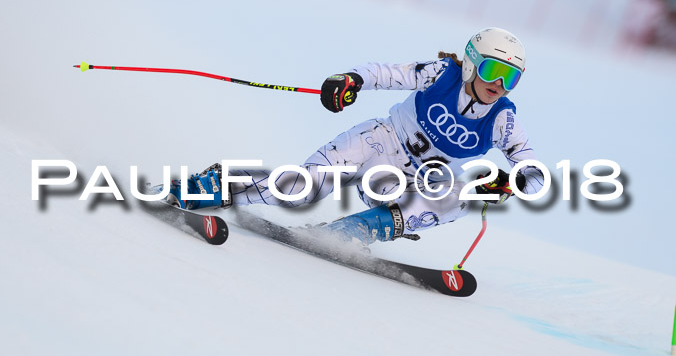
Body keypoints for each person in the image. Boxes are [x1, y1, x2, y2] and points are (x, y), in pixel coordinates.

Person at [167, 27, 545, 244]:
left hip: (408, 182)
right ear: (473, 63)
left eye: (510, 77)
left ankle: (353, 231)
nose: (499, 84)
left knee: (458, 198)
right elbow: (386, 73)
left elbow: (532, 167)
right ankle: (210, 187)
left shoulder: (502, 119)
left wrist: (513, 180)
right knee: (302, 189)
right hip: (377, 142)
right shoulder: (441, 73)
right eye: (494, 69)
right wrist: (352, 80)